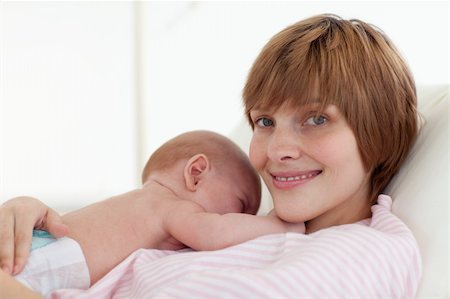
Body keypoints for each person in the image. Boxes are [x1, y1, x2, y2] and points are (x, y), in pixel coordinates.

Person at [0, 13, 421, 297]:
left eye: (315, 119)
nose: (276, 151)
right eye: (264, 122)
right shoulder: (235, 225)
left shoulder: (364, 252)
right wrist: (29, 219)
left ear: (379, 134)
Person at [0, 130, 306, 296]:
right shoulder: (171, 206)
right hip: (43, 263)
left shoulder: (137, 203)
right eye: (241, 206)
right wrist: (282, 225)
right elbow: (215, 232)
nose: (244, 220)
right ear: (196, 173)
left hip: (38, 248)